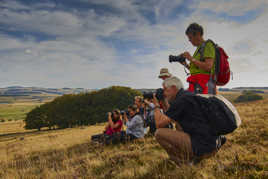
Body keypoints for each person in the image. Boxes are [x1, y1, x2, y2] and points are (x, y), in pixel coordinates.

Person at [152, 76, 226, 166]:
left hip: (203, 147)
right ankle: (191, 158)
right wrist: (163, 101)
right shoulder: (187, 95)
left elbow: (159, 124)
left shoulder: (181, 101)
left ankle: (184, 163)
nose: (164, 93)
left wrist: (156, 105)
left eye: (165, 90)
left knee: (159, 133)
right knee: (178, 125)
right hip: (213, 143)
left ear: (174, 88)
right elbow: (171, 116)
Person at [181, 23, 216, 94]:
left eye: (190, 37)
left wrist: (191, 58)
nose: (189, 40)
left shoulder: (208, 45)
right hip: (196, 84)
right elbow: (196, 70)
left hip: (203, 85)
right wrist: (184, 64)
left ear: (198, 34)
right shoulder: (198, 49)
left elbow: (208, 66)